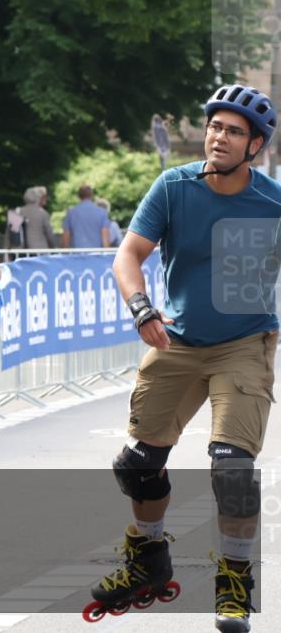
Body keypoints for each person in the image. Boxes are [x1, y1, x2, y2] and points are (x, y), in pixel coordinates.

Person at [98, 84, 279, 633]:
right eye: (215, 126)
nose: (219, 137)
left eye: (234, 131)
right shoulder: (174, 186)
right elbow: (128, 255)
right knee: (138, 466)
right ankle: (148, 559)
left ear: (256, 146)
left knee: (233, 468)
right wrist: (141, 308)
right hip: (175, 340)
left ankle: (233, 586)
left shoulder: (272, 202)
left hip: (244, 343)